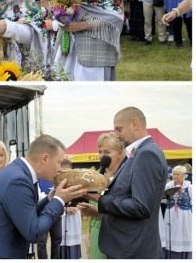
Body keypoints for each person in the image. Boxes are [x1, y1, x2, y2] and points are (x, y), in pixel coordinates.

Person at [0, 134, 86, 259]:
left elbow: (26, 213)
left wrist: (51, 197)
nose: (59, 168)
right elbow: (33, 231)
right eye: (58, 162)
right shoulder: (18, 180)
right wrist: (59, 200)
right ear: (45, 158)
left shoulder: (18, 172)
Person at [84, 107, 168, 259]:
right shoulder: (136, 152)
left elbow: (141, 207)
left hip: (133, 250)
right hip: (126, 247)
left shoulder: (147, 153)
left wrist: (98, 199)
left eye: (119, 129)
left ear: (135, 124)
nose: (116, 135)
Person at [76, 132, 125, 259]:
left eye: (107, 152)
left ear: (120, 153)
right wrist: (88, 235)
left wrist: (99, 214)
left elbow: (125, 211)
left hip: (113, 235)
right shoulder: (96, 177)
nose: (102, 156)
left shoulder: (123, 179)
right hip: (95, 232)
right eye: (100, 152)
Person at [162, 165, 192, 259]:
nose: (175, 176)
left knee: (184, 232)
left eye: (177, 174)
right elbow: (163, 200)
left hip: (184, 216)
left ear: (183, 175)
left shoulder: (189, 187)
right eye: (174, 174)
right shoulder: (168, 185)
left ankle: (183, 255)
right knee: (171, 231)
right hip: (170, 214)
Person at [58, 159, 82, 259]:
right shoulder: (57, 186)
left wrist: (78, 207)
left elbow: (82, 200)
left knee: (73, 249)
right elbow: (53, 202)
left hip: (73, 220)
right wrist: (64, 209)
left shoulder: (77, 184)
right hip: (61, 220)